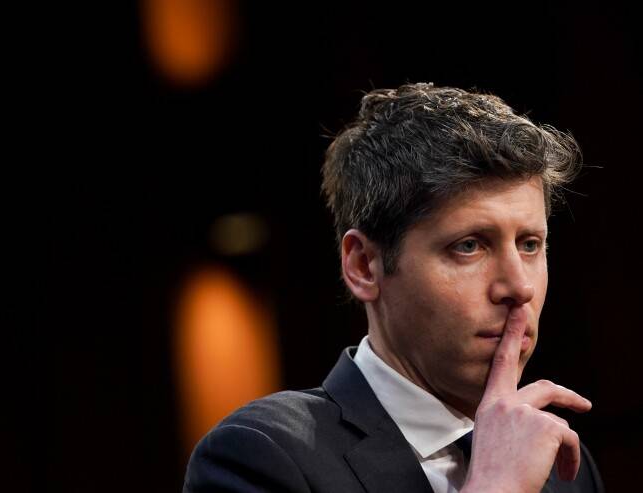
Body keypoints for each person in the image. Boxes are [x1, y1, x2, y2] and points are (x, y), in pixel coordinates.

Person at [183, 83, 604, 492]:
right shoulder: (260, 456)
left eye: (529, 244)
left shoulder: (563, 466)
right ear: (364, 266)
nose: (519, 287)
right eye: (469, 246)